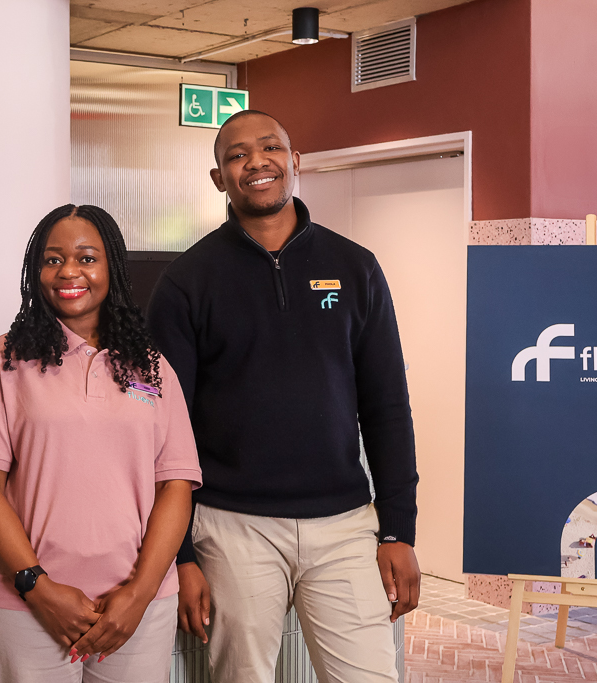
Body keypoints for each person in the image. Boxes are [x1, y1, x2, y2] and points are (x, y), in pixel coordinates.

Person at [146, 110, 421, 683]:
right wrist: (181, 556)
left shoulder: (355, 267)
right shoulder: (187, 281)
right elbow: (164, 430)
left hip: (345, 525)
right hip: (231, 526)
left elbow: (388, 406)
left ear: (294, 162)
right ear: (219, 178)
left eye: (270, 148)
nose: (256, 162)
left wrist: (398, 528)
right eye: (237, 155)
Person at [0, 204, 202, 682]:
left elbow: (175, 485)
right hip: (24, 607)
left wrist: (139, 594)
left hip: (136, 608)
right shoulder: (4, 359)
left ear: (112, 268)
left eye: (87, 258)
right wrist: (37, 587)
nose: (69, 271)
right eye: (53, 260)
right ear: (36, 271)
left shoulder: (151, 366)